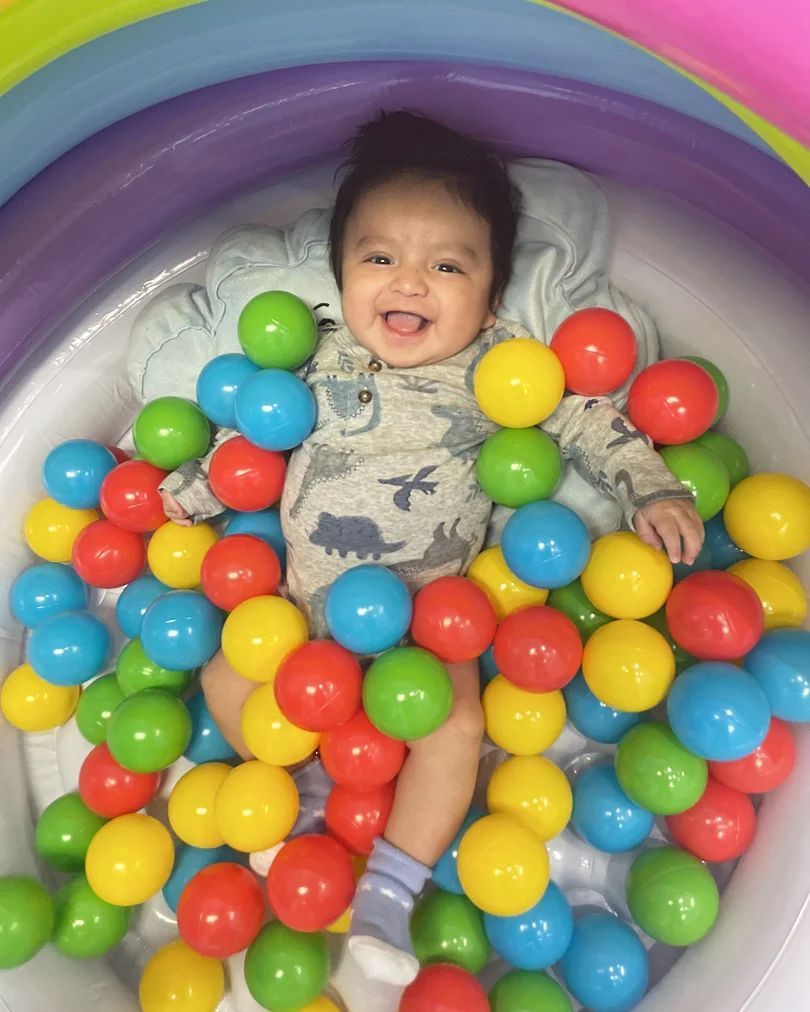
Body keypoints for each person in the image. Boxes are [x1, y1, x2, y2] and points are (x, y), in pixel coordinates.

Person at [152, 111, 703, 985]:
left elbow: (587, 419)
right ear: (340, 277)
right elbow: (253, 449)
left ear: (489, 295)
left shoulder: (497, 370)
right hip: (300, 617)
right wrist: (189, 493)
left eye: (447, 265)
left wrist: (654, 486)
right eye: (380, 258)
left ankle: (390, 888)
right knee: (224, 675)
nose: (410, 283)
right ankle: (302, 810)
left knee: (457, 728)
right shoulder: (319, 361)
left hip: (426, 621)